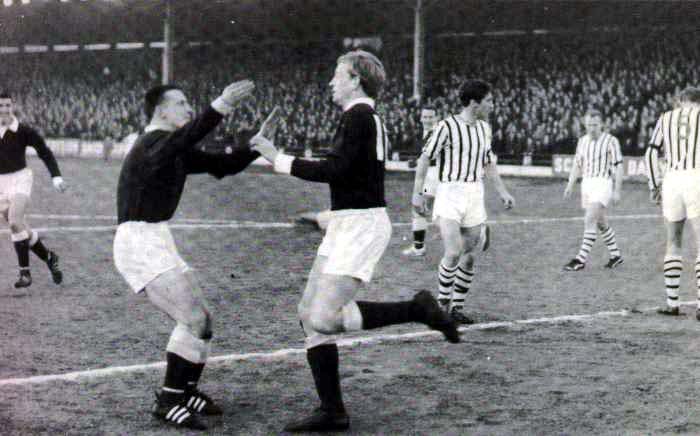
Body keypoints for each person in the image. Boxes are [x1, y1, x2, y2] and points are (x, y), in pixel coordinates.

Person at [251, 50, 459, 433]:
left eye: (338, 74)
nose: (332, 81)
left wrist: (276, 158)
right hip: (349, 221)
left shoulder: (359, 116)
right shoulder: (361, 116)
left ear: (355, 80)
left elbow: (336, 169)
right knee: (308, 313)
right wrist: (329, 217)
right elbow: (355, 177)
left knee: (324, 317)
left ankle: (416, 309)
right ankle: (332, 411)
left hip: (360, 226)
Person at [113, 81, 273, 430]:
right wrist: (221, 105)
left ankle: (185, 391)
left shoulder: (171, 148)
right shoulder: (150, 143)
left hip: (157, 237)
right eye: (181, 103)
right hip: (138, 242)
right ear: (161, 111)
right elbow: (183, 139)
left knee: (204, 323)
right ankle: (168, 400)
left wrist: (256, 147)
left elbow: (222, 166)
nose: (188, 108)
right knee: (194, 320)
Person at [412, 79, 514, 324]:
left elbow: (488, 163)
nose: (492, 105)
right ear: (474, 102)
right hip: (450, 192)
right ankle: (442, 306)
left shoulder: (484, 129)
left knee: (468, 257)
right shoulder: (446, 126)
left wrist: (503, 191)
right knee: (453, 251)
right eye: (489, 101)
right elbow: (425, 159)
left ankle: (456, 308)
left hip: (474, 193)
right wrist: (418, 193)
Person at [645, 86, 700, 319]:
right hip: (697, 176)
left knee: (673, 240)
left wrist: (654, 185)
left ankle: (672, 303)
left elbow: (650, 153)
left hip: (672, 179)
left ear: (680, 101)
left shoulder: (665, 117)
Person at [0, 92, 65, 288]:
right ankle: (49, 257)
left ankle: (25, 273)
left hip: (21, 179)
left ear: (12, 107)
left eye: (7, 105)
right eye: (1, 106)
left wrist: (56, 176)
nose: (4, 109)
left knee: (14, 221)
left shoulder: (23, 131)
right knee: (20, 227)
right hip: (1, 183)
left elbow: (44, 151)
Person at [563, 109, 624, 271]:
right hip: (587, 184)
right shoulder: (582, 141)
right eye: (589, 125)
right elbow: (577, 164)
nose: (592, 128)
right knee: (601, 222)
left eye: (595, 125)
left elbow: (619, 166)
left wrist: (617, 190)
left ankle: (580, 259)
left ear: (601, 124)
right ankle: (616, 255)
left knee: (589, 218)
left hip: (603, 183)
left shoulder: (611, 141)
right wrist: (570, 184)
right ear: (585, 125)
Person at [402, 106, 439, 257]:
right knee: (426, 210)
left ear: (436, 118)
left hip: (433, 176)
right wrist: (415, 161)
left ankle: (419, 248)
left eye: (431, 117)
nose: (428, 120)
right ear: (421, 118)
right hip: (429, 175)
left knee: (419, 210)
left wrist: (417, 162)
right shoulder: (422, 134)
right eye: (425, 117)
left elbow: (432, 158)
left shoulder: (437, 134)